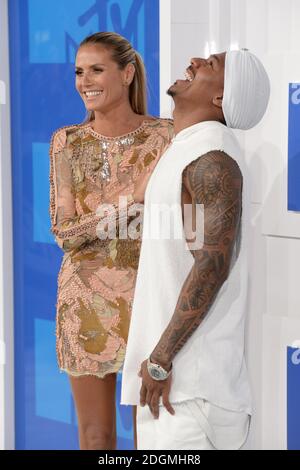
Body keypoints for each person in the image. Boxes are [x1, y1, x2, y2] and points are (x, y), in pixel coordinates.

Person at [121, 49, 270, 450]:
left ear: (221, 98)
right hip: (183, 389)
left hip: (187, 393)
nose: (195, 61)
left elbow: (211, 264)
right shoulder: (191, 148)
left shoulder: (212, 158)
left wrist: (160, 359)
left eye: (212, 64)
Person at [49, 31, 173, 450]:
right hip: (84, 302)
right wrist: (129, 202)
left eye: (97, 69)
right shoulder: (67, 142)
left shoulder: (167, 137)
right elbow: (64, 235)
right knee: (97, 436)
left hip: (149, 299)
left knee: (151, 437)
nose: (85, 81)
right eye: (79, 72)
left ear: (128, 73)